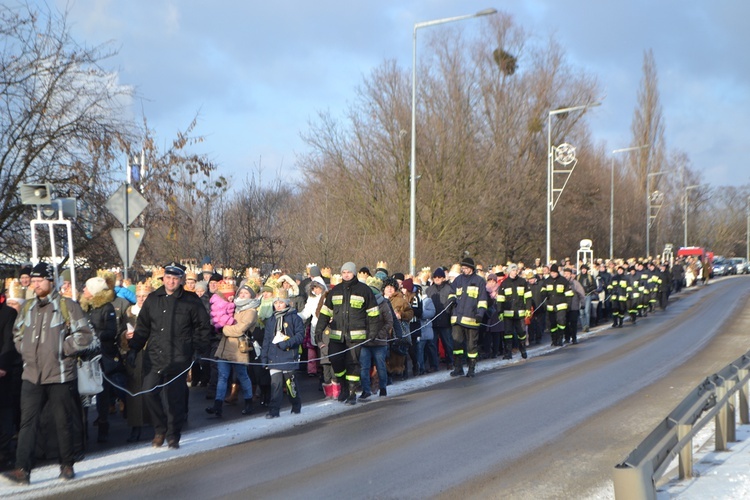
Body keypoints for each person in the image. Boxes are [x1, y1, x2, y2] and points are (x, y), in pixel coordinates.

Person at [3, 262, 95, 484]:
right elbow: (17, 333)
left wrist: (63, 349)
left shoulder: (67, 306)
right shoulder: (28, 308)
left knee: (62, 421)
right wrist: (25, 351)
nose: (35, 285)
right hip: (32, 374)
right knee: (27, 423)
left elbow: (85, 334)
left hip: (60, 374)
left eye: (39, 281)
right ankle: (22, 469)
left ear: (50, 281)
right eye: (33, 281)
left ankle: (67, 464)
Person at [128, 262, 211, 450]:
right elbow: (143, 328)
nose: (171, 281)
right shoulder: (153, 299)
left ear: (181, 279)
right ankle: (160, 429)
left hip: (179, 357)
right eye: (168, 278)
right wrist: (134, 348)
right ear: (163, 278)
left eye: (175, 278)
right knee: (149, 392)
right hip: (155, 356)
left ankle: (173, 435)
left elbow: (203, 326)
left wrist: (199, 349)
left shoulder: (190, 300)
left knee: (175, 399)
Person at [314, 262, 380, 405]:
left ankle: (351, 392)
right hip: (337, 336)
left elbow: (374, 314)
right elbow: (325, 312)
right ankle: (343, 385)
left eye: (348, 272)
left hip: (356, 336)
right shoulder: (335, 291)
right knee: (336, 361)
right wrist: (319, 330)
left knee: (352, 363)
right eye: (343, 272)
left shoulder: (364, 290)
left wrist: (373, 332)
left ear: (354, 273)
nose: (346, 275)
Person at [206, 282, 259, 418]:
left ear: (251, 296)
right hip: (225, 347)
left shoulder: (251, 311)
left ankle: (248, 402)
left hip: (238, 348)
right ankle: (217, 405)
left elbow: (239, 329)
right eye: (241, 293)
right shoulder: (234, 307)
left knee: (242, 376)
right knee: (222, 377)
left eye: (246, 293)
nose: (242, 295)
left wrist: (222, 328)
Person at [80, 276, 120, 444]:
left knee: (102, 390)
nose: (83, 290)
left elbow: (112, 332)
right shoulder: (82, 307)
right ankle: (82, 429)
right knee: (82, 389)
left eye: (87, 288)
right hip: (84, 354)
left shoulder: (107, 307)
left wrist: (93, 336)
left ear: (95, 292)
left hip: (103, 354)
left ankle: (103, 423)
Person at [261, 288, 305, 418]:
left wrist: (287, 343)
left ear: (286, 303)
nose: (278, 305)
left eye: (280, 303)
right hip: (274, 358)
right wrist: (264, 358)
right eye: (276, 303)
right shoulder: (271, 320)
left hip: (288, 356)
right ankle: (274, 411)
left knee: (291, 385)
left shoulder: (294, 318)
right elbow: (267, 340)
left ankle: (296, 405)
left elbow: (300, 336)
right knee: (275, 386)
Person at [449, 257, 488, 378]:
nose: (463, 270)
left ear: (471, 268)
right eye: (462, 268)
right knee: (457, 345)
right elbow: (451, 292)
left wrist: (480, 314)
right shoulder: (458, 280)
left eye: (465, 268)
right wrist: (451, 300)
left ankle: (471, 368)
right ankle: (458, 367)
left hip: (472, 319)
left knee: (471, 346)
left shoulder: (479, 281)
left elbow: (482, 300)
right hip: (457, 319)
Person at [359, 276, 393, 399]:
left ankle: (383, 387)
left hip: (379, 342)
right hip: (365, 341)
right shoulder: (362, 304)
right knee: (364, 367)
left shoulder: (383, 304)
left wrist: (380, 335)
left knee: (380, 366)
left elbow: (389, 322)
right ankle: (366, 390)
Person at [497, 263, 531, 360]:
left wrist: (528, 309)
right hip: (508, 313)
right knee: (508, 334)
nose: (514, 272)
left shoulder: (522, 282)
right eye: (512, 270)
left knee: (521, 332)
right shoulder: (504, 283)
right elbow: (500, 299)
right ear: (509, 271)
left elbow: (528, 297)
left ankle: (523, 349)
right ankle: (508, 353)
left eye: (516, 270)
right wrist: (500, 312)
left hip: (520, 312)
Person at [425, 267, 454, 370]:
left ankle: (450, 362)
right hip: (432, 322)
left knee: (448, 343)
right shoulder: (429, 290)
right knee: (432, 345)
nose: (437, 278)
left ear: (443, 278)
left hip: (445, 321)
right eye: (435, 277)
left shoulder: (449, 289)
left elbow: (452, 305)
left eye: (439, 277)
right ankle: (434, 365)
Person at [542, 263, 573, 347]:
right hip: (550, 306)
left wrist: (568, 305)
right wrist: (544, 295)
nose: (553, 274)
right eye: (552, 273)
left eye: (554, 273)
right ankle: (554, 339)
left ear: (557, 272)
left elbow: (569, 294)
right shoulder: (547, 281)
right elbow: (542, 292)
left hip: (561, 305)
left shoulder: (563, 281)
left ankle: (560, 338)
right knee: (552, 324)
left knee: (561, 322)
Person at [563, 268, 585, 344]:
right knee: (565, 323)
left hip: (573, 306)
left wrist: (582, 303)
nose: (566, 275)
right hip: (564, 307)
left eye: (567, 274)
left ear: (571, 275)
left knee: (573, 323)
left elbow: (581, 294)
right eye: (564, 273)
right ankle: (567, 338)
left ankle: (574, 338)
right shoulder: (561, 283)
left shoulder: (575, 283)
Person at [577, 265, 596, 332]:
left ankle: (587, 326)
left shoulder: (590, 277)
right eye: (582, 269)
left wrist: (589, 289)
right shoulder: (578, 277)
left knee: (587, 311)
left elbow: (594, 286)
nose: (583, 270)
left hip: (587, 295)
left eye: (585, 269)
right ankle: (583, 326)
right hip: (580, 296)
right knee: (581, 312)